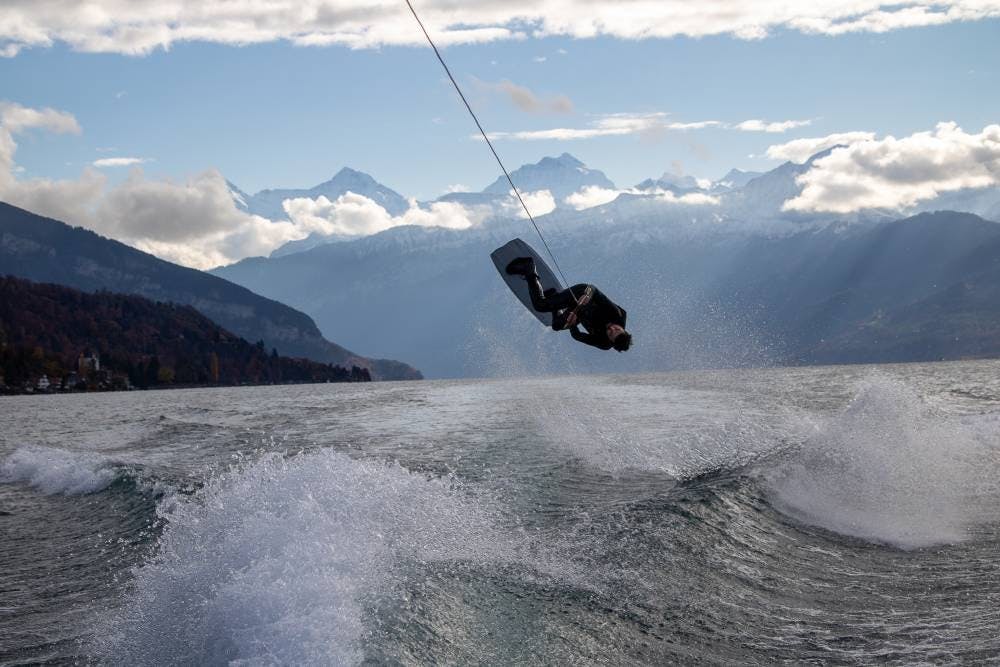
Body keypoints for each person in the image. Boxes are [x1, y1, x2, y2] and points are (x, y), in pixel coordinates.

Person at [505, 257, 632, 351]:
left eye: (610, 333)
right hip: (581, 294)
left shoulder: (603, 343)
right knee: (540, 306)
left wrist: (572, 325)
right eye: (616, 329)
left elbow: (577, 336)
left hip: (578, 312)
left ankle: (552, 296)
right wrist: (587, 296)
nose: (611, 329)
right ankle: (529, 267)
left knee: (557, 325)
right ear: (624, 330)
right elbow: (593, 289)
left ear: (610, 341)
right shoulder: (616, 314)